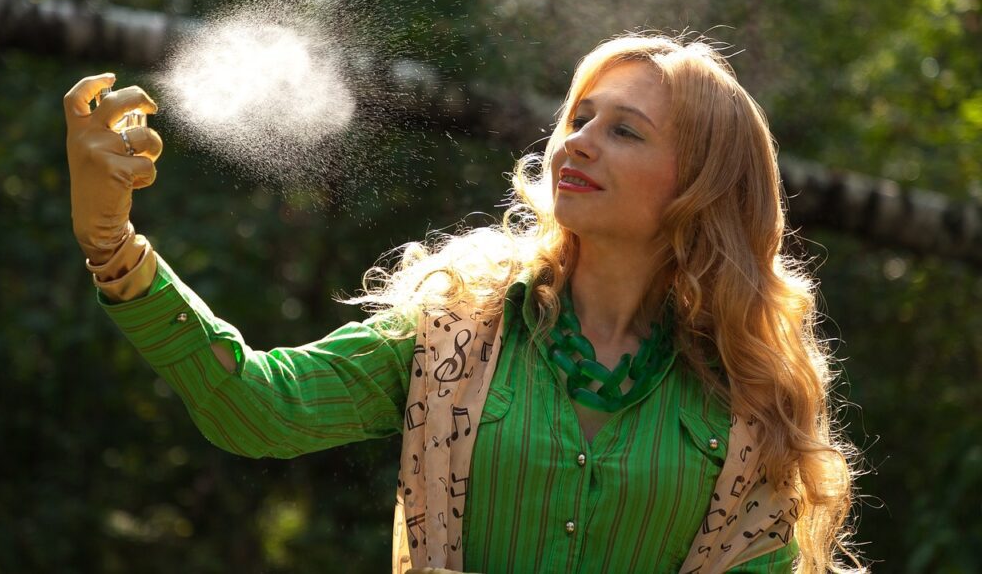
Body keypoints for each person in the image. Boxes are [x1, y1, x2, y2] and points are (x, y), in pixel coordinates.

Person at [65, 33, 862, 573]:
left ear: (699, 188)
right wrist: (116, 245)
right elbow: (260, 409)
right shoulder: (457, 328)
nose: (576, 141)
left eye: (626, 131)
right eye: (578, 117)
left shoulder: (752, 398)